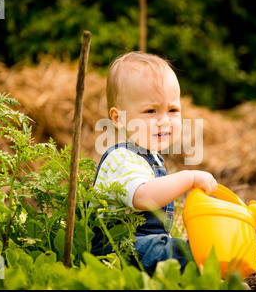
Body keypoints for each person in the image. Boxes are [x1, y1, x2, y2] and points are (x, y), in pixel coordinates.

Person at [91, 51, 218, 274]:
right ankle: (206, 276)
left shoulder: (152, 158)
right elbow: (144, 197)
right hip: (118, 251)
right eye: (151, 111)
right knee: (181, 252)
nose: (164, 121)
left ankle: (204, 274)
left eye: (173, 110)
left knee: (186, 247)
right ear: (118, 118)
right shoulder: (122, 158)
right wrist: (187, 178)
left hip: (144, 246)